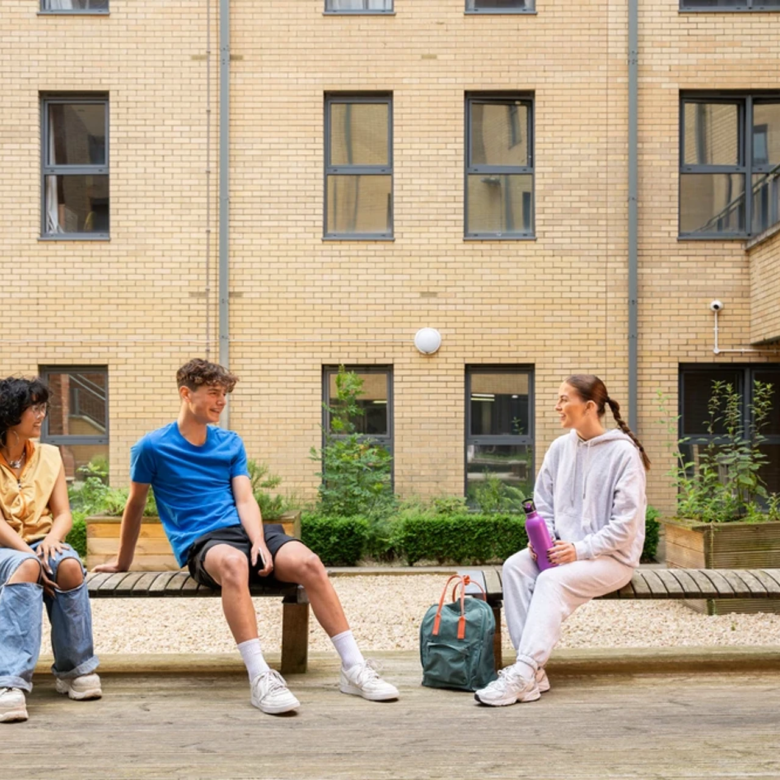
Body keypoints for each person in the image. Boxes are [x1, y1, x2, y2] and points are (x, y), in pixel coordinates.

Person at [95, 358, 398, 715]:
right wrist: (123, 561)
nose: (221, 401)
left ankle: (353, 668)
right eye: (213, 393)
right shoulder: (151, 447)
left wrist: (258, 541)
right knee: (235, 563)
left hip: (244, 531)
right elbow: (135, 505)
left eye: (224, 394)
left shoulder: (230, 442)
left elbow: (244, 498)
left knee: (309, 563)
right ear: (186, 394)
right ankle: (260, 677)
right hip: (203, 543)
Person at [475, 374, 649, 707]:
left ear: (589, 406)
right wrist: (544, 542)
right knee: (514, 566)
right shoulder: (560, 448)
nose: (557, 406)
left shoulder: (624, 455)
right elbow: (544, 503)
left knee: (551, 581)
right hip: (562, 552)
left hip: (611, 560)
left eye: (563, 399)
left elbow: (625, 525)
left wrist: (580, 549)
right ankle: (534, 674)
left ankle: (523, 671)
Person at [0, 377, 101, 724]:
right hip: (4, 547)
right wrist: (29, 555)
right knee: (27, 567)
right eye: (36, 408)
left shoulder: (50, 455)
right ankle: (9, 681)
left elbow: (63, 514)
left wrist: (51, 542)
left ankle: (74, 670)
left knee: (70, 565)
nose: (42, 415)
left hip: (39, 541)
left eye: (43, 407)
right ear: (11, 412)